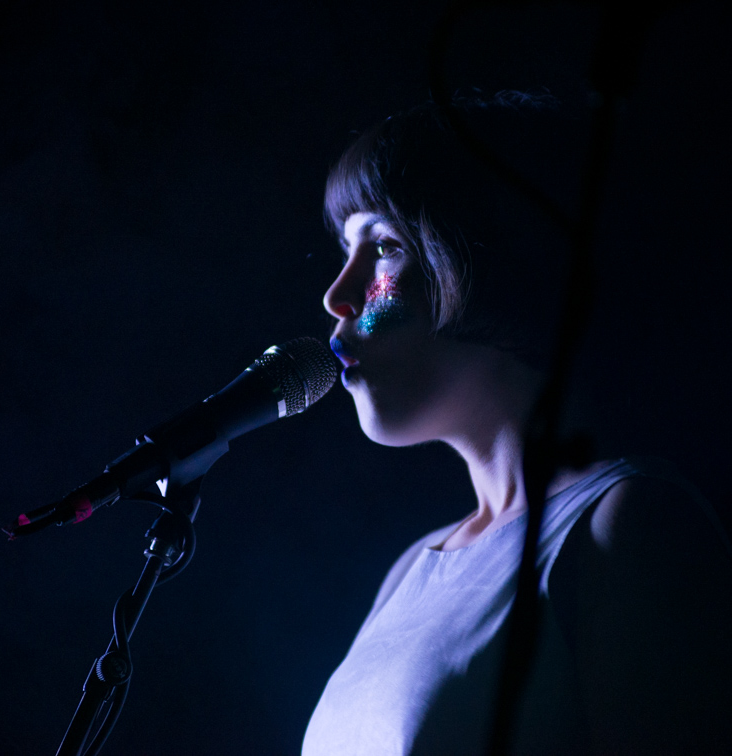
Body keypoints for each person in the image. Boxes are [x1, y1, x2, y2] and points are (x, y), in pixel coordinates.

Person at [302, 93, 732, 755]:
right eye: (344, 248)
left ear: (497, 254)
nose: (338, 293)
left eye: (384, 246)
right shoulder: (411, 570)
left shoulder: (627, 524)